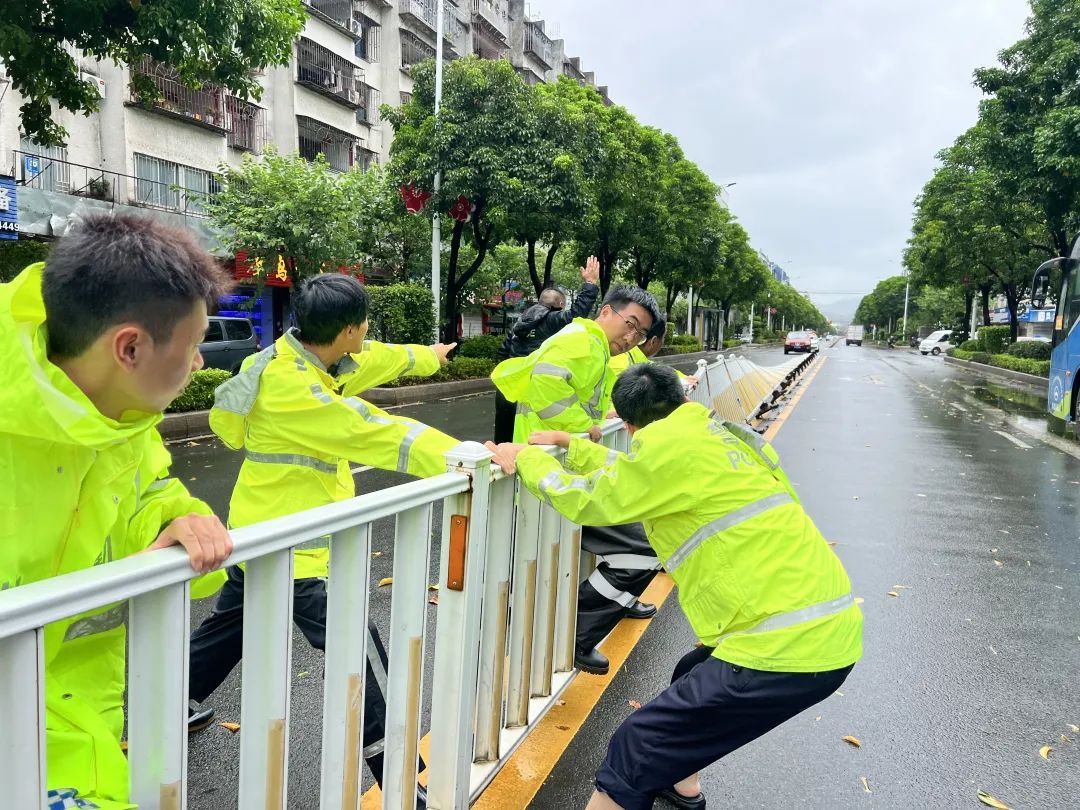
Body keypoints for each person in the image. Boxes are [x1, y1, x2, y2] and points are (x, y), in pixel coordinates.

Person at [485, 363, 862, 810]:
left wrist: (523, 459)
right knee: (691, 670)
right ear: (683, 400)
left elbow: (591, 499)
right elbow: (639, 474)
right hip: (827, 625)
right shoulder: (721, 436)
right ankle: (684, 789)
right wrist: (574, 446)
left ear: (627, 423)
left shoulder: (667, 451)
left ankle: (648, 782)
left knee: (637, 746)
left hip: (784, 649)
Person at [188, 274, 464, 805]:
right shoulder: (294, 387)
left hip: (262, 532)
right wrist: (466, 453)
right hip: (298, 548)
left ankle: (168, 707)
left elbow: (378, 359)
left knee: (228, 632)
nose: (367, 332)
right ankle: (400, 777)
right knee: (359, 655)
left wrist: (429, 355)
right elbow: (374, 430)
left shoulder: (309, 359)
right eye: (364, 323)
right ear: (346, 329)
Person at [0, 213, 234, 810]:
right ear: (129, 346)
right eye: (194, 344)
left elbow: (146, 488)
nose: (200, 363)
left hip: (79, 739)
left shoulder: (120, 414)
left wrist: (179, 513)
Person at [491, 285, 662, 676]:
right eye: (630, 325)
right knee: (639, 549)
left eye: (639, 333)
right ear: (607, 311)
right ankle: (566, 635)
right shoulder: (581, 342)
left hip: (560, 473)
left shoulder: (595, 346)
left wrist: (584, 433)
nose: (631, 337)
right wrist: (584, 429)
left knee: (549, 559)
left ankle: (560, 634)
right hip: (550, 473)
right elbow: (547, 391)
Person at [492, 256, 601, 443]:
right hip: (532, 393)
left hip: (507, 390)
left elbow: (502, 354)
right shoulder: (552, 320)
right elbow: (577, 314)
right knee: (527, 445)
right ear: (559, 306)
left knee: (502, 444)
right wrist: (590, 283)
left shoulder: (519, 322)